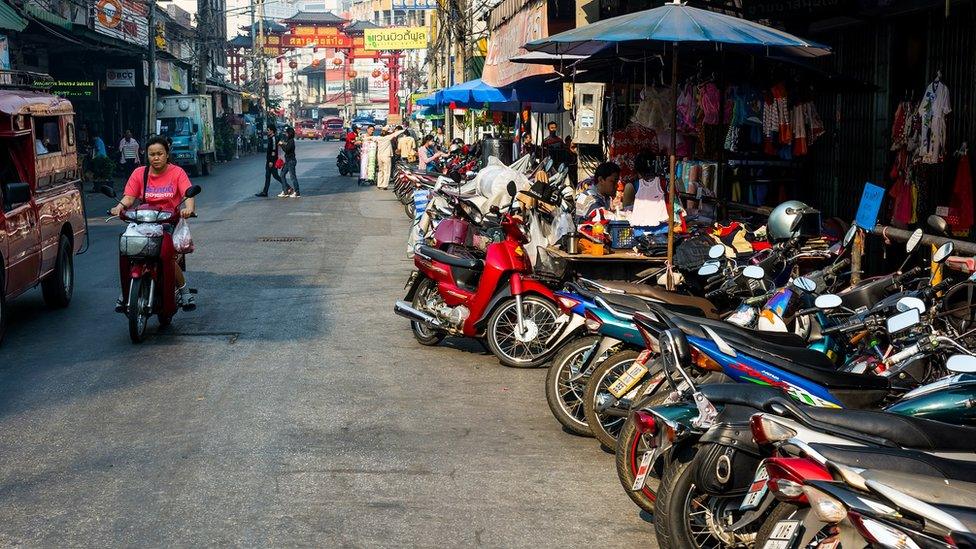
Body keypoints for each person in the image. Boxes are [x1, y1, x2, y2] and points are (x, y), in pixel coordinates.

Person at [110, 136, 196, 307]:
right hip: (143, 221)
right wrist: (118, 207)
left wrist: (189, 209)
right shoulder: (139, 173)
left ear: (167, 154)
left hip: (168, 222)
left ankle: (184, 291)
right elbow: (129, 197)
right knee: (128, 249)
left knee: (166, 257)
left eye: (159, 154)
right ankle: (126, 290)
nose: (156, 158)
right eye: (152, 154)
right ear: (146, 155)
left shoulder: (177, 172)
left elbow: (188, 194)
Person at [255, 124, 284, 197]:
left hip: (272, 161)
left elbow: (273, 150)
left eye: (268, 130)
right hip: (269, 160)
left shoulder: (274, 139)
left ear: (272, 131)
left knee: (275, 176)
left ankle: (288, 187)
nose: (267, 131)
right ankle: (265, 192)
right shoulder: (271, 138)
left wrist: (271, 161)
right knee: (268, 176)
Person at [279, 127, 300, 197]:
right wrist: (282, 143)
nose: (286, 134)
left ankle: (297, 192)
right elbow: (285, 144)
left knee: (292, 177)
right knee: (282, 175)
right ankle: (285, 191)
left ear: (289, 133)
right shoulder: (288, 140)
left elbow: (286, 150)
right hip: (287, 161)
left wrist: (281, 145)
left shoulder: (291, 141)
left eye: (287, 133)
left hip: (291, 161)